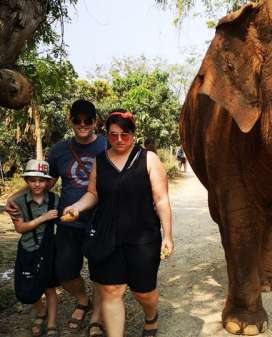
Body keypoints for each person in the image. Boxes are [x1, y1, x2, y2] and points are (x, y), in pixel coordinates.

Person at [62, 110, 174, 337]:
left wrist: (168, 235)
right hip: (107, 235)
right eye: (113, 135)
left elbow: (161, 199)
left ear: (133, 134)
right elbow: (93, 194)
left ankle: (151, 317)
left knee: (144, 292)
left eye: (125, 134)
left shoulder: (148, 159)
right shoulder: (100, 161)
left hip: (143, 237)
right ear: (107, 135)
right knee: (111, 290)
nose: (120, 140)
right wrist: (77, 207)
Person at [6, 99, 106, 337]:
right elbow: (43, 182)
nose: (83, 124)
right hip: (68, 222)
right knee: (65, 272)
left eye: (88, 120)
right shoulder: (60, 150)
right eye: (77, 120)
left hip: (101, 221)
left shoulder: (106, 145)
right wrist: (15, 197)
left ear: (96, 122)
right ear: (70, 120)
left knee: (101, 273)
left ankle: (96, 317)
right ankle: (83, 300)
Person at [12, 159, 59, 337]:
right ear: (26, 181)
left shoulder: (55, 199)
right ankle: (41, 311)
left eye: (41, 180)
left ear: (48, 182)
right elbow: (20, 228)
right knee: (30, 285)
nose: (37, 184)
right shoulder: (19, 202)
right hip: (28, 249)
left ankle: (52, 322)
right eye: (32, 180)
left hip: (49, 250)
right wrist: (43, 218)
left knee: (50, 287)